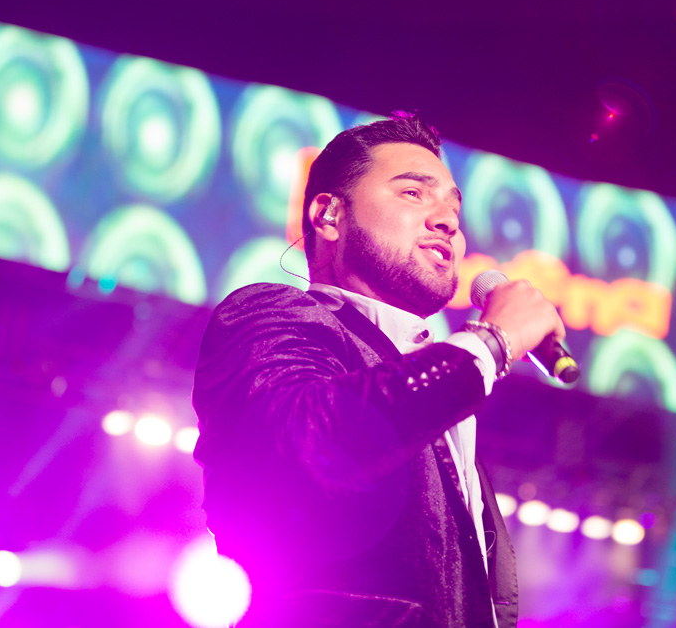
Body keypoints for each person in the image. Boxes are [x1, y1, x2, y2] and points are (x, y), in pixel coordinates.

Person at [191, 112, 565, 628]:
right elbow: (305, 443)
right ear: (329, 215)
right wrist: (493, 342)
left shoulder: (436, 392)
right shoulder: (269, 313)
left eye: (454, 208)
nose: (447, 222)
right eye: (414, 193)